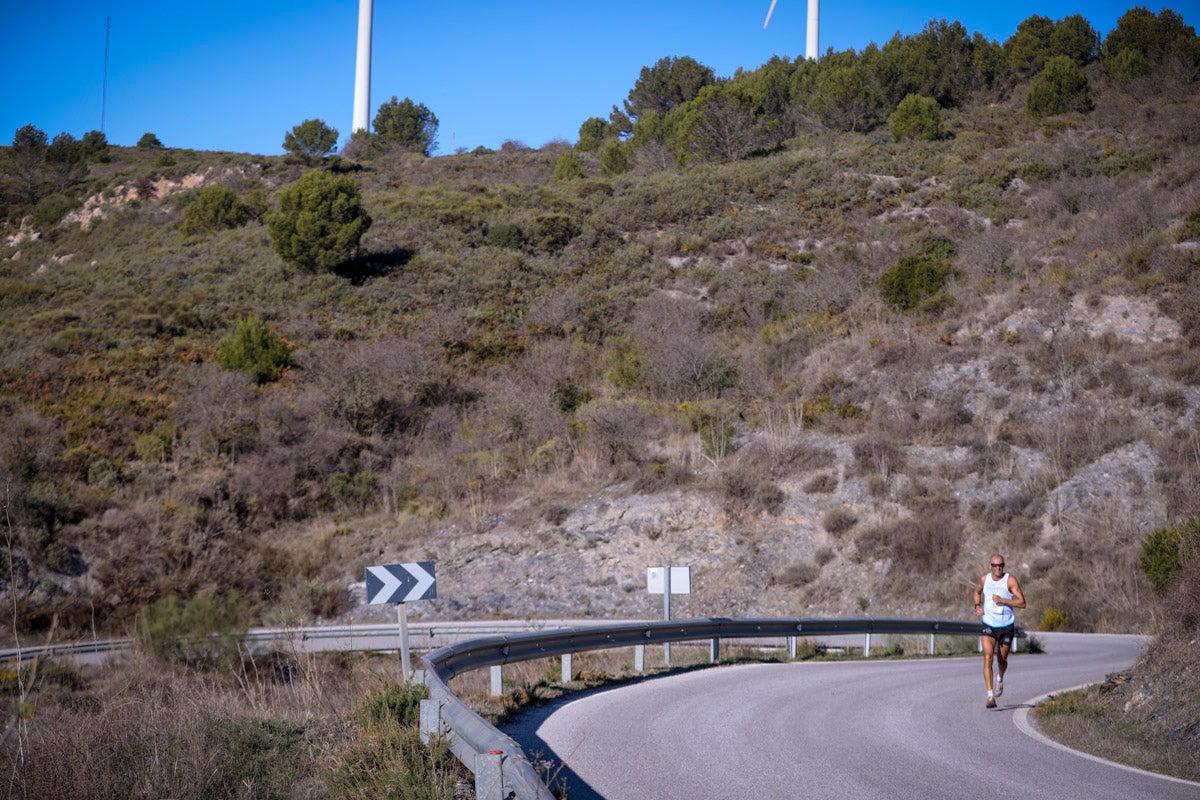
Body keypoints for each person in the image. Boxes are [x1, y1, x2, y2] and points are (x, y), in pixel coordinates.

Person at [973, 554, 1026, 709]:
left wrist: (1003, 600)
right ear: (990, 566)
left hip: (1006, 625)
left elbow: (1022, 603)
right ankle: (990, 696)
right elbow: (977, 592)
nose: (998, 568)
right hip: (989, 623)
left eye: (1001, 565)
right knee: (988, 657)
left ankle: (1000, 677)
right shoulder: (984, 580)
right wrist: (977, 606)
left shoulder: (1010, 580)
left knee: (1001, 660)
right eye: (995, 565)